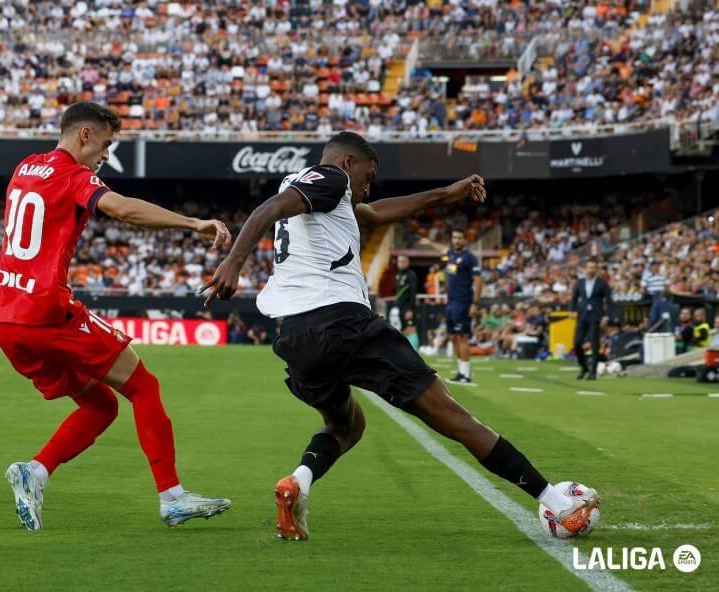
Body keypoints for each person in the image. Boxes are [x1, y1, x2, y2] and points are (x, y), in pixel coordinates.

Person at [201, 131, 598, 541]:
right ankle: (557, 500)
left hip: (296, 336)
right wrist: (234, 262)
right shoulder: (331, 178)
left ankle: (297, 483)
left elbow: (374, 214)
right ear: (348, 163)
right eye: (368, 175)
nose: (368, 186)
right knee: (453, 416)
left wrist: (448, 193)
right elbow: (269, 208)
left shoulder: (323, 196)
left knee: (346, 426)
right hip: (341, 321)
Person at [0, 102, 232, 531]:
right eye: (105, 144)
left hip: (8, 321)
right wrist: (193, 223)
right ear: (84, 135)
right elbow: (122, 209)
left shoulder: (24, 167)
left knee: (101, 405)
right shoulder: (76, 176)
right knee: (144, 386)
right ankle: (173, 497)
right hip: (48, 313)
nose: (105, 156)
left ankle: (35, 472)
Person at [444, 228, 482, 382]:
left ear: (465, 239)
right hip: (451, 302)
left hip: (463, 302)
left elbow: (478, 281)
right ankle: (461, 372)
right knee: (453, 337)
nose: (457, 240)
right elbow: (441, 249)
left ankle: (466, 374)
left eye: (460, 237)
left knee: (462, 337)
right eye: (454, 237)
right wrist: (428, 242)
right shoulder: (452, 255)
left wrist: (475, 303)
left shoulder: (470, 258)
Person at [570, 259, 612, 381]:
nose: (591, 270)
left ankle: (593, 371)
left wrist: (606, 316)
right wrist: (572, 310)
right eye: (589, 267)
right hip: (582, 315)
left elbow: (608, 301)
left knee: (594, 344)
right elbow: (574, 297)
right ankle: (583, 367)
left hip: (596, 315)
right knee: (577, 343)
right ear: (585, 269)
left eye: (593, 267)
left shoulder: (602, 283)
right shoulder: (580, 283)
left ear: (597, 269)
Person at [393, 255, 418, 330]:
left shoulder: (411, 275)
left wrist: (410, 310)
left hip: (407, 308)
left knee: (410, 331)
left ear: (408, 262)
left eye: (403, 261)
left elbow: (413, 293)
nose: (401, 263)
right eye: (399, 261)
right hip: (399, 308)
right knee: (400, 331)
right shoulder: (398, 275)